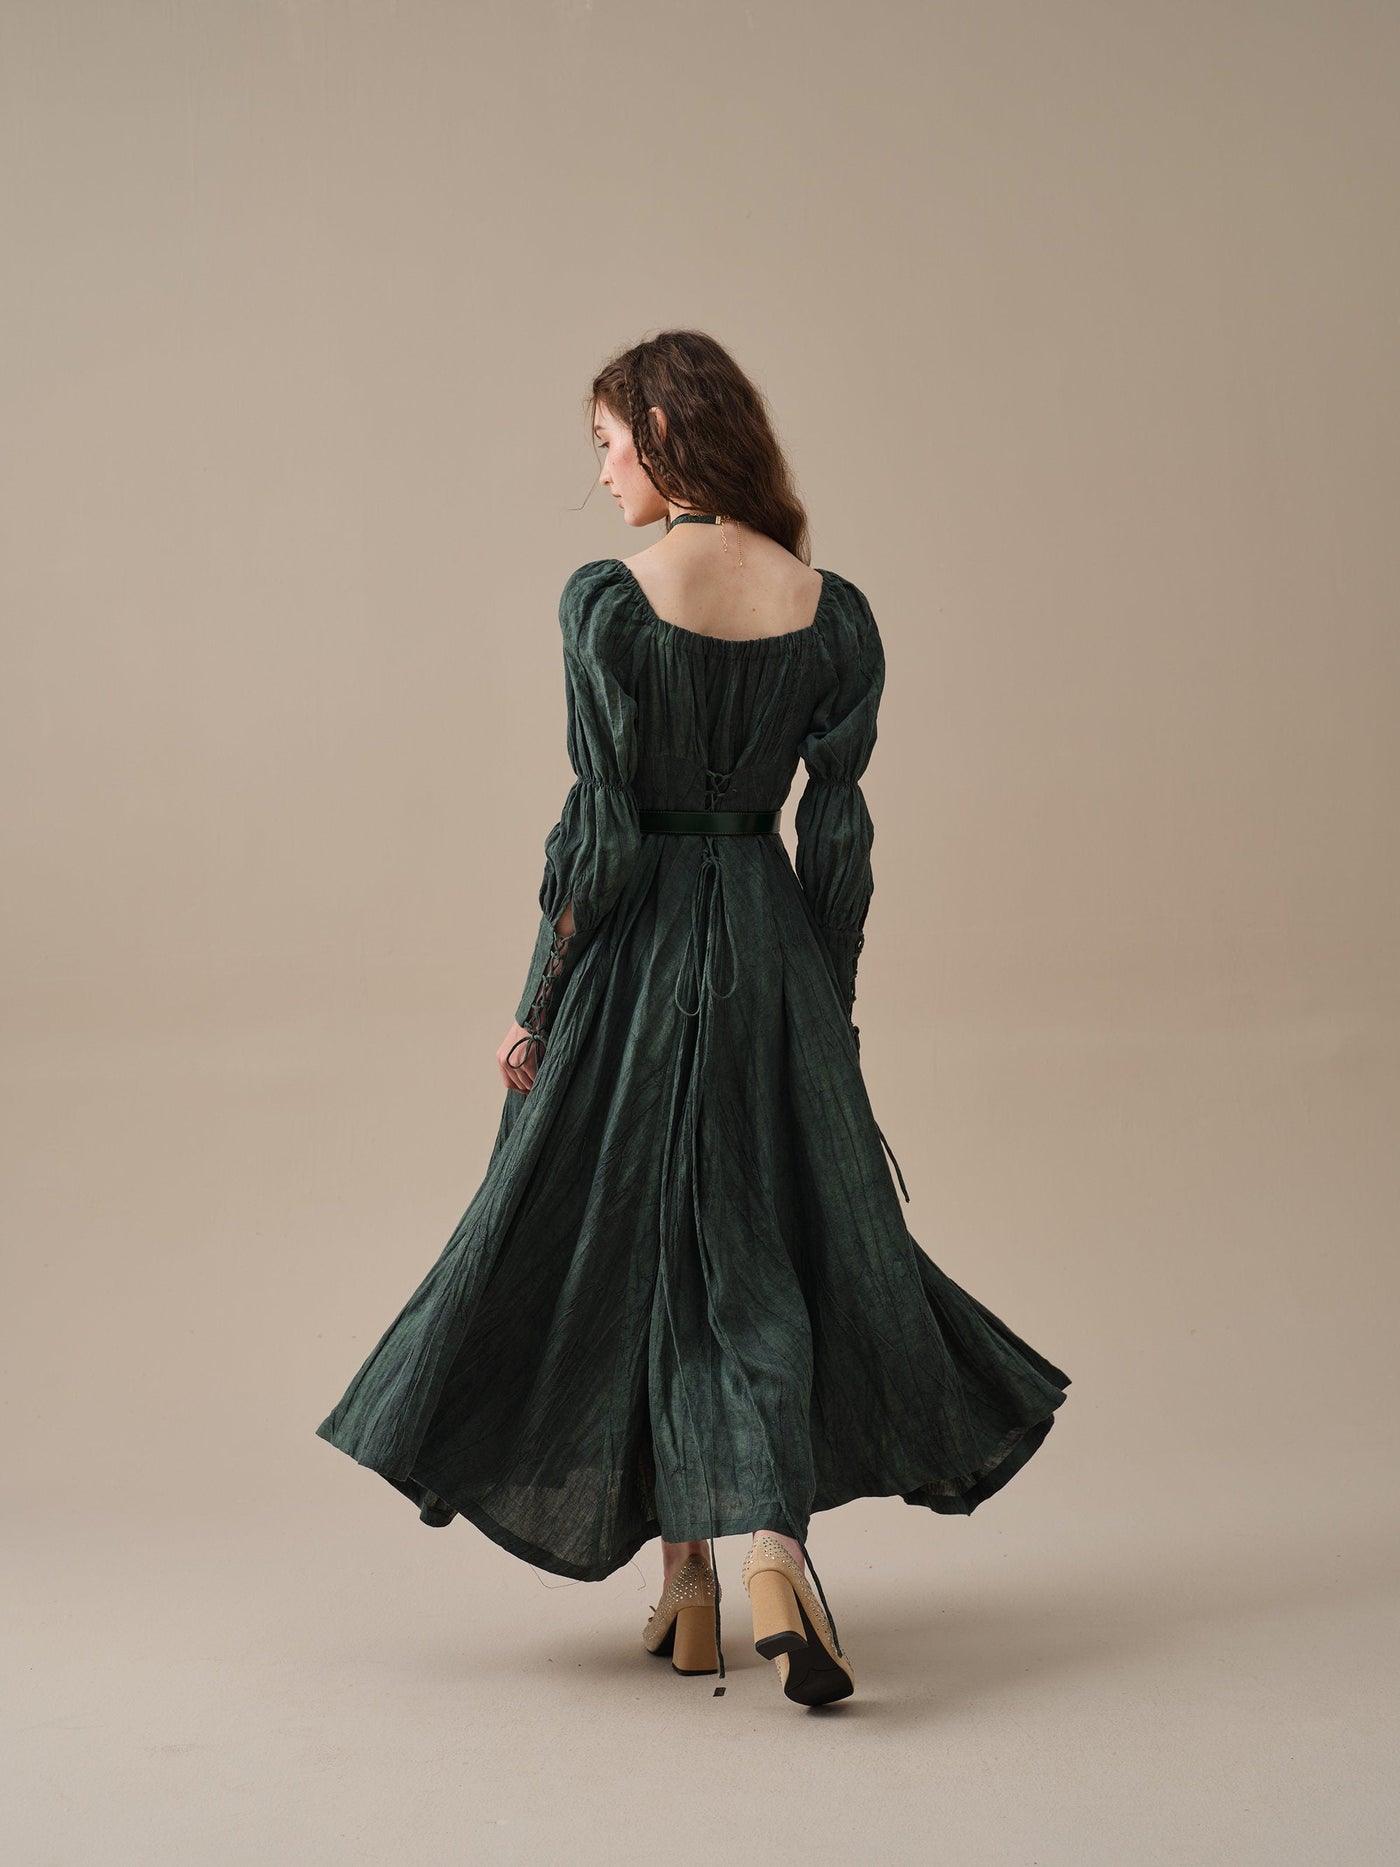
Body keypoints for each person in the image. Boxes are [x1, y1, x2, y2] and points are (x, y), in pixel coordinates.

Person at [315, 329, 1071, 1709]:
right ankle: (731, 1566)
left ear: (665, 429)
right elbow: (836, 836)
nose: (604, 477)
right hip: (770, 947)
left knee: (636, 1249)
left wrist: (538, 1001)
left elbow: (602, 833)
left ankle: (714, 1575)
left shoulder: (610, 605)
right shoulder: (830, 612)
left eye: (610, 446)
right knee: (755, 1241)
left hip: (642, 951)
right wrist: (823, 1012)